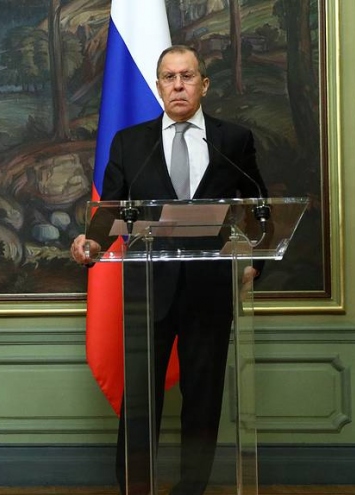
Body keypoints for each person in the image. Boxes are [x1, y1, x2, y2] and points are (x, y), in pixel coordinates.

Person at [70, 45, 267, 495]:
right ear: (158, 86)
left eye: (187, 76)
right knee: (140, 399)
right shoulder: (130, 142)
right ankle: (134, 486)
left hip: (210, 289)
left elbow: (260, 208)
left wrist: (254, 263)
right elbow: (111, 207)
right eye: (169, 77)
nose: (178, 85)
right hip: (148, 289)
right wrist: (93, 242)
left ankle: (191, 488)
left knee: (203, 398)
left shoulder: (234, 140)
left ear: (204, 84)